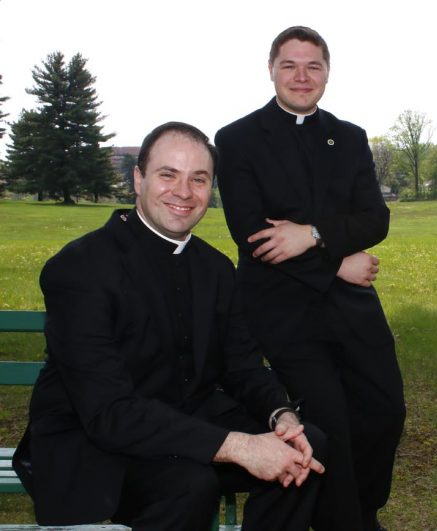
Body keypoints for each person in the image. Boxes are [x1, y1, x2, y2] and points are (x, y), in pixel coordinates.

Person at [12, 122, 325, 531]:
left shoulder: (214, 268)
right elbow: (109, 412)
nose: (183, 192)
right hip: (94, 440)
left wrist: (280, 415)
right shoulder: (79, 269)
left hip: (186, 423)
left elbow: (243, 366)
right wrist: (238, 446)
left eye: (199, 179)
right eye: (168, 175)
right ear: (138, 179)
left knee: (306, 446)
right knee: (188, 484)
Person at [214, 26, 405, 531]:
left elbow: (375, 219)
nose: (302, 76)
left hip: (352, 305)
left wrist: (314, 234)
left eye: (313, 66)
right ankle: (346, 523)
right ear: (271, 69)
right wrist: (337, 260)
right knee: (330, 423)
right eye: (290, 65)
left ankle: (360, 510)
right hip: (282, 307)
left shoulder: (349, 137)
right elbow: (253, 234)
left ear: (327, 73)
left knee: (385, 411)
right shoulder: (236, 139)